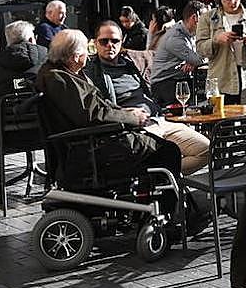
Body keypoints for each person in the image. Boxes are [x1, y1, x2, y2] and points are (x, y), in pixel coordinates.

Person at [37, 30, 182, 181]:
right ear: (75, 57)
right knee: (168, 150)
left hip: (92, 142)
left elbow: (96, 107)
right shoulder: (59, 79)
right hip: (91, 148)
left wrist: (125, 112)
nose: (88, 54)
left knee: (159, 145)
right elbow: (92, 115)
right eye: (87, 50)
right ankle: (168, 202)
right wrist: (132, 118)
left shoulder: (63, 74)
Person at [86, 20, 209, 174]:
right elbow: (100, 108)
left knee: (206, 150)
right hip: (134, 129)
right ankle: (161, 177)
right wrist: (127, 115)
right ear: (95, 43)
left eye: (115, 41)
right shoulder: (92, 72)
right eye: (104, 41)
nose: (110, 45)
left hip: (158, 119)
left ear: (121, 41)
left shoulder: (130, 64)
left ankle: (161, 177)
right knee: (167, 155)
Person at [0, 20, 47, 208]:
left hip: (5, 136)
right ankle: (52, 182)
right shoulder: (47, 60)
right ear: (32, 39)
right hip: (44, 132)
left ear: (8, 42)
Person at [149, 0, 207, 106]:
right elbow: (200, 60)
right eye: (205, 19)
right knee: (203, 98)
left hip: (179, 78)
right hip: (164, 84)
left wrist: (192, 61)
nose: (208, 23)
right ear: (195, 18)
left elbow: (198, 56)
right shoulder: (176, 38)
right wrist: (195, 60)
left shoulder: (190, 32)